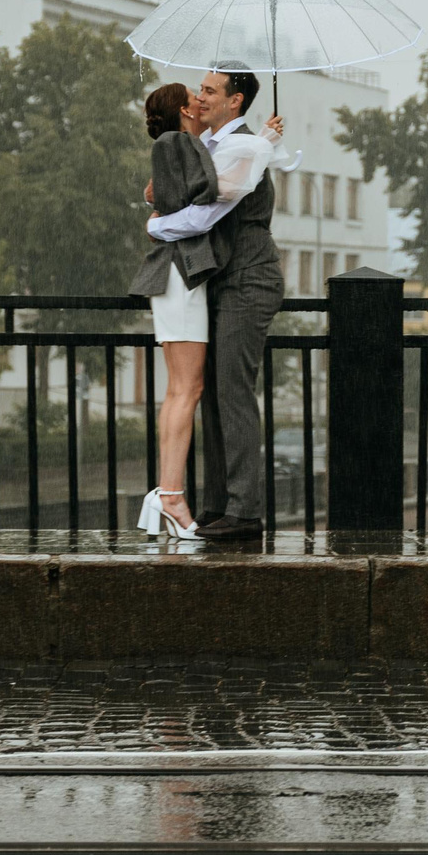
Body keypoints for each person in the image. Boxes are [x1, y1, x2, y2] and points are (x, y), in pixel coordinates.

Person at [143, 63, 296, 541]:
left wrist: (156, 225)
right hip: (218, 279)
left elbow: (209, 210)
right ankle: (217, 505)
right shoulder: (211, 146)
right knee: (210, 393)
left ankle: (244, 510)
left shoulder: (243, 146)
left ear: (235, 100)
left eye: (211, 91)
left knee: (232, 391)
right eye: (200, 90)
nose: (200, 98)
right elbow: (170, 192)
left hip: (248, 279)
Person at [129, 82, 217, 539]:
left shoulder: (175, 145)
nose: (202, 101)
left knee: (179, 390)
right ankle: (172, 497)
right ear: (184, 109)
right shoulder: (179, 143)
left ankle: (166, 491)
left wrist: (155, 204)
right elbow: (207, 197)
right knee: (188, 389)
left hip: (174, 278)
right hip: (181, 277)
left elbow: (167, 197)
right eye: (196, 97)